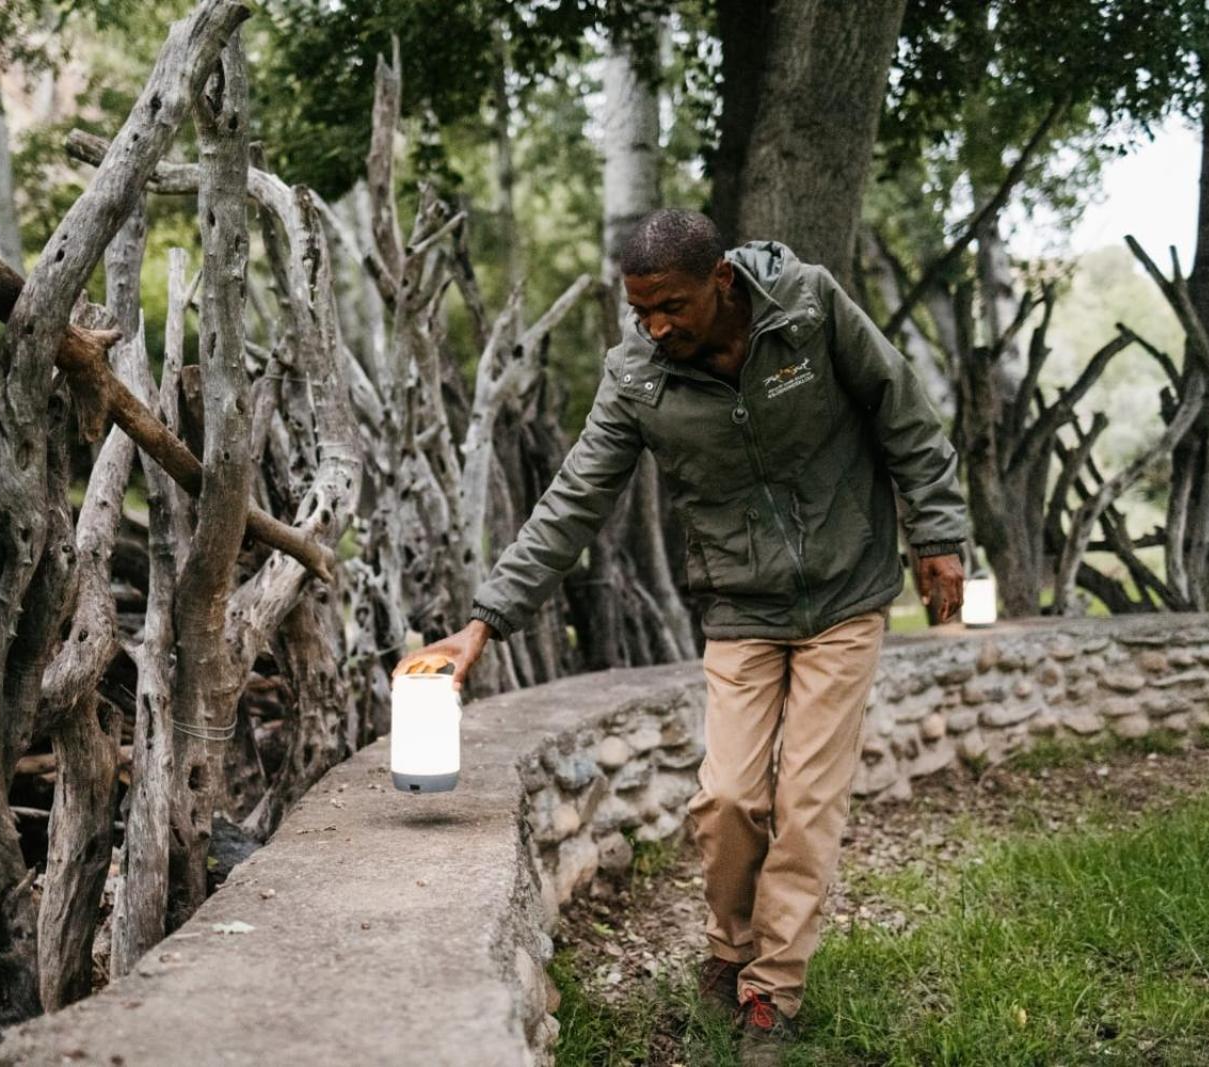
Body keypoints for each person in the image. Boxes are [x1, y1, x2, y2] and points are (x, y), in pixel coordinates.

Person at [395, 208, 968, 1061]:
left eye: (671, 306)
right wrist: (487, 621)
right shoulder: (639, 380)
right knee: (729, 796)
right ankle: (729, 946)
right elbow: (573, 501)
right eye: (640, 313)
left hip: (847, 592)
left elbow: (903, 412)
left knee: (807, 805)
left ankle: (773, 991)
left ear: (721, 283)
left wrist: (939, 533)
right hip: (740, 606)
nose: (656, 327)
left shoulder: (806, 309)